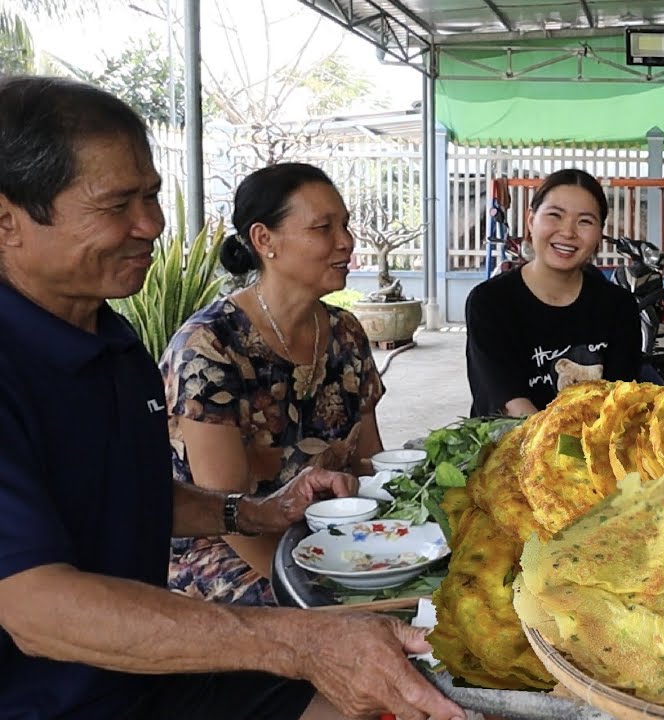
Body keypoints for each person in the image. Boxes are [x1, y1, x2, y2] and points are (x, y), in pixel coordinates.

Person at [0, 76, 463, 720]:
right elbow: (34, 608)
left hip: (147, 675)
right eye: (117, 205)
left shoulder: (110, 341)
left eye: (154, 196)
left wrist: (253, 513)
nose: (152, 224)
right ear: (7, 220)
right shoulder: (196, 344)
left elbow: (124, 493)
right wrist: (304, 642)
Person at [161, 163, 387, 606]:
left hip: (327, 537)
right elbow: (223, 511)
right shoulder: (210, 345)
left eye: (345, 224)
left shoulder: (345, 331)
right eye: (323, 227)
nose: (346, 241)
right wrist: (310, 596)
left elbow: (369, 462)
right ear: (265, 240)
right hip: (230, 554)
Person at [465, 168, 641, 417]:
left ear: (600, 232)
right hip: (512, 445)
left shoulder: (618, 306)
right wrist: (554, 448)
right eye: (555, 215)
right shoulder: (490, 302)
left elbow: (621, 398)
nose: (568, 232)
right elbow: (506, 399)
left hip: (592, 447)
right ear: (530, 220)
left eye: (585, 221)